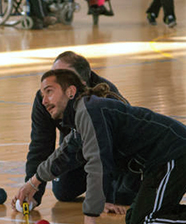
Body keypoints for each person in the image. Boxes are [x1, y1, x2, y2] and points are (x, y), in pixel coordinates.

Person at [18, 69, 186, 224]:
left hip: (177, 154)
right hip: (167, 159)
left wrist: (90, 223)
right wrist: (33, 183)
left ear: (70, 91)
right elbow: (65, 154)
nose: (43, 101)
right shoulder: (83, 114)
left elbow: (98, 165)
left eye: (49, 91)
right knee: (135, 217)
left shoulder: (89, 112)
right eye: (42, 95)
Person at [17, 51, 136, 211]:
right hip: (75, 150)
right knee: (64, 192)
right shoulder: (44, 98)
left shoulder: (105, 98)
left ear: (80, 84)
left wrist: (106, 196)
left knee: (123, 199)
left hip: (118, 158)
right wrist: (32, 193)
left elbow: (109, 150)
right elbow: (40, 145)